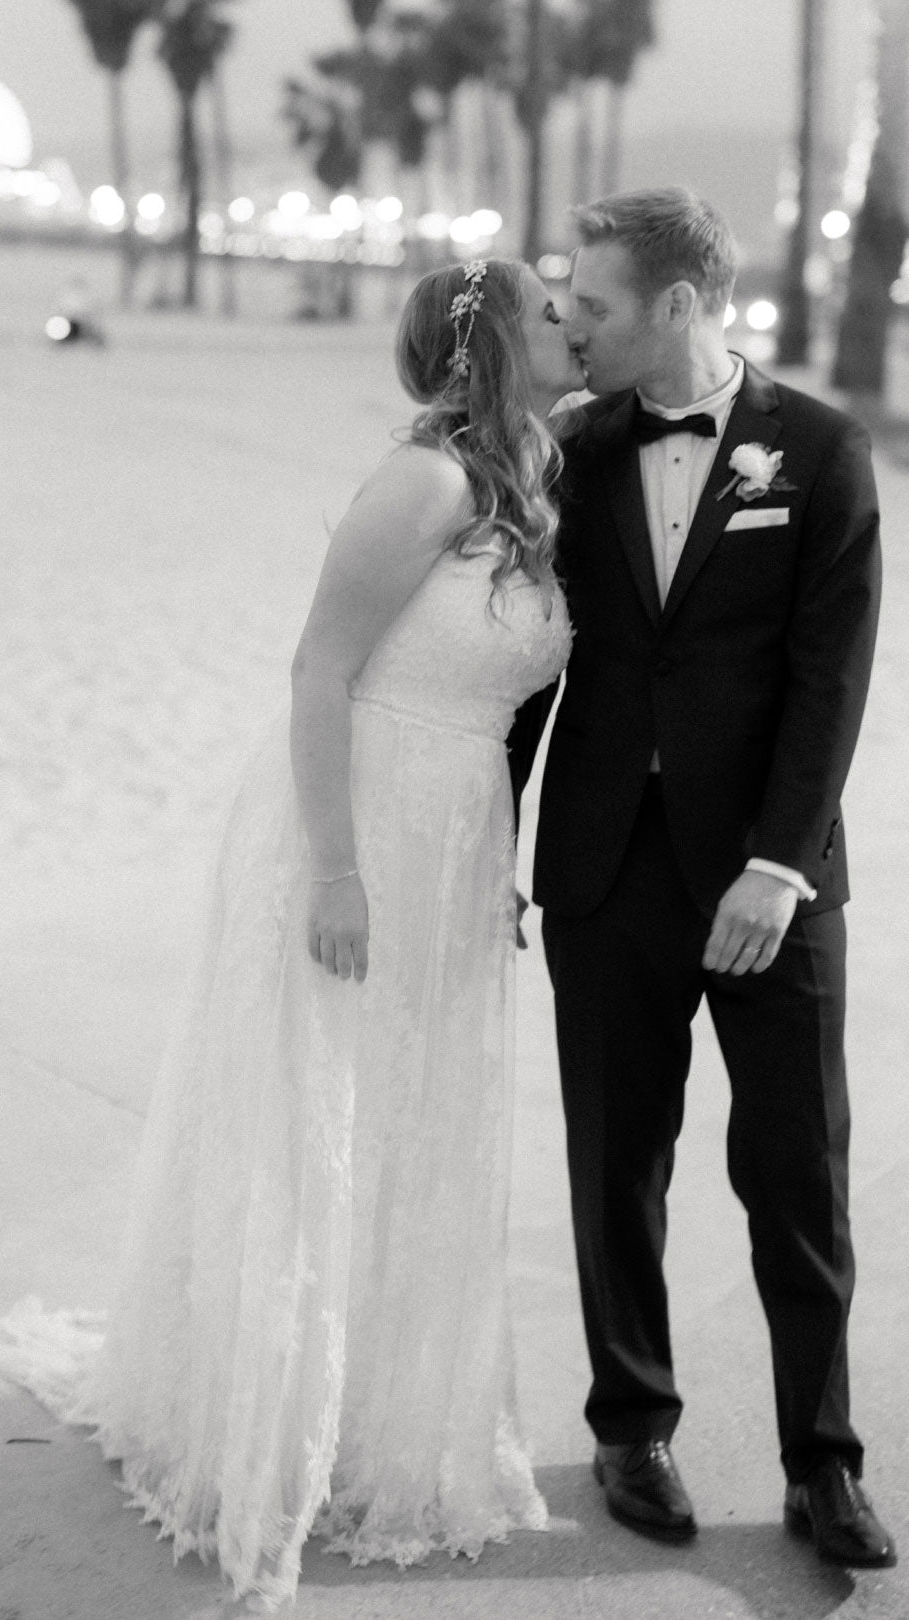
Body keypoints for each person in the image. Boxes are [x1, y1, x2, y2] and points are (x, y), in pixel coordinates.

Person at [0, 257, 583, 1612]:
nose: (573, 322)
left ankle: (380, 1419)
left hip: (459, 834)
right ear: (491, 344)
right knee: (324, 1120)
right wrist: (338, 872)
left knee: (413, 1126)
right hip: (354, 828)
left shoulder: (529, 481)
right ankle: (270, 1416)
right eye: (552, 309)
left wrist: (498, 865)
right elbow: (321, 669)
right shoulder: (423, 484)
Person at [507, 187, 895, 1568]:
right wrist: (491, 845)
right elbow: (522, 666)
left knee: (798, 1173)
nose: (572, 321)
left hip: (768, 888)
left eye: (593, 302)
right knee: (619, 1165)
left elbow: (829, 682)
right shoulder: (573, 451)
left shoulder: (825, 452)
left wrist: (778, 865)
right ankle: (632, 1426)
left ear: (678, 305)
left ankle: (824, 1461)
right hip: (605, 874)